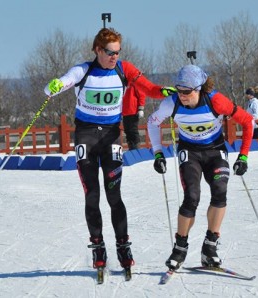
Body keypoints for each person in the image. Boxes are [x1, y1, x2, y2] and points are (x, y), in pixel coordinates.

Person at [43, 27, 176, 272]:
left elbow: (148, 88)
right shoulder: (83, 70)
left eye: (117, 52)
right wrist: (54, 86)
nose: (114, 56)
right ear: (97, 50)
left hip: (112, 137)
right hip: (86, 137)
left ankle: (123, 244)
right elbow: (64, 82)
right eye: (109, 52)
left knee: (114, 195)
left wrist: (163, 91)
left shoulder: (124, 69)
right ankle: (98, 245)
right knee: (92, 194)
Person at [147, 65, 253, 271]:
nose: (182, 95)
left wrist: (244, 156)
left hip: (215, 150)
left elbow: (248, 122)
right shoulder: (172, 103)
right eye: (179, 90)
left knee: (220, 192)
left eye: (187, 92)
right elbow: (152, 122)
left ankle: (210, 247)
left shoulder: (216, 101)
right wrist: (158, 153)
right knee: (192, 196)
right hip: (190, 151)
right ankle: (180, 247)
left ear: (199, 89)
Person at [122, 85, 145, 150]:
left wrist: (141, 108)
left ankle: (136, 149)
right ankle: (131, 148)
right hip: (124, 112)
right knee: (127, 131)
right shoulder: (123, 82)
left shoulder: (134, 82)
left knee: (133, 131)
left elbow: (142, 95)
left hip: (133, 111)